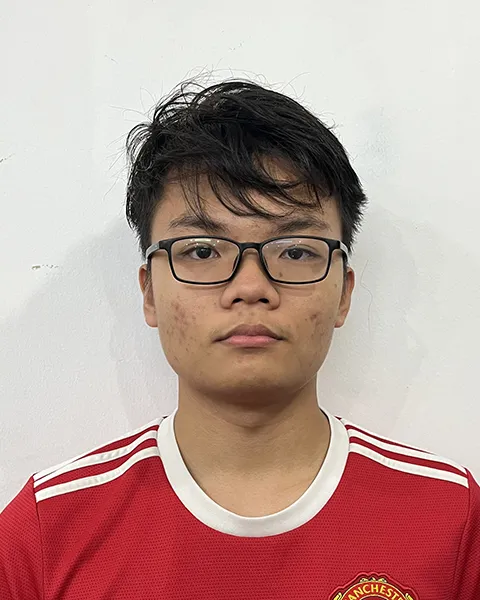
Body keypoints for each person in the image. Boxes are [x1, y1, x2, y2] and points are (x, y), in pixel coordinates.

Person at [1, 79, 478, 600]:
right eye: (202, 251)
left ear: (343, 292)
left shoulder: (452, 517)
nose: (251, 287)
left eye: (295, 251)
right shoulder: (45, 532)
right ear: (150, 293)